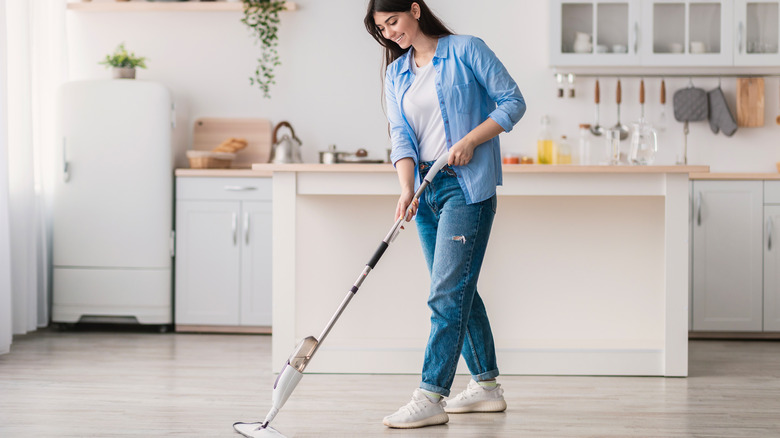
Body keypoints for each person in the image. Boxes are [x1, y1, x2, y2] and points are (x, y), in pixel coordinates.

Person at [364, 0, 527, 430]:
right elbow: (400, 134)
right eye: (381, 29)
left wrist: (472, 140)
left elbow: (512, 102)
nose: (389, 33)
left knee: (445, 294)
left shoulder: (467, 50)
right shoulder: (395, 73)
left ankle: (431, 394)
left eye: (393, 21)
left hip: (465, 187)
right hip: (423, 188)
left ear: (415, 10)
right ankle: (487, 387)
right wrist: (405, 189)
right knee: (459, 291)